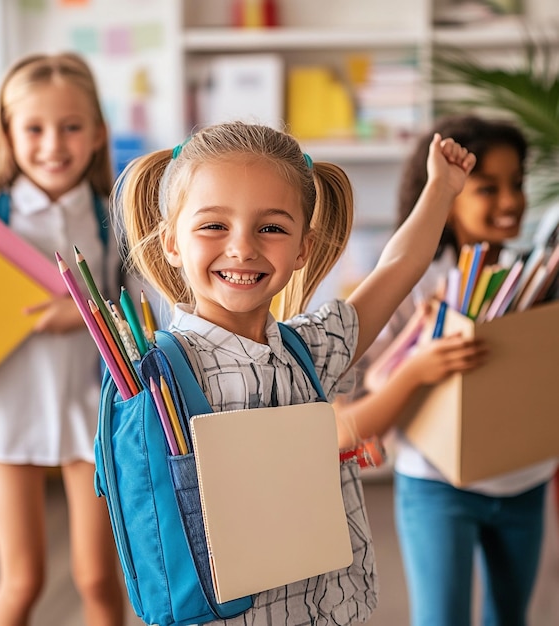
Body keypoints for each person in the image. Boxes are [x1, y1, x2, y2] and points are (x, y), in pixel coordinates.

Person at [112, 120, 475, 624]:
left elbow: (398, 267)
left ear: (303, 247)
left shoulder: (311, 348)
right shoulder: (163, 375)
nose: (242, 248)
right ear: (171, 241)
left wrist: (441, 189)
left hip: (326, 611)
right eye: (213, 225)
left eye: (272, 228)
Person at [334, 114, 557, 626]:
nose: (510, 201)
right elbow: (365, 375)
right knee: (441, 617)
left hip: (525, 479)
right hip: (436, 482)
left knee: (511, 615)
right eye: (488, 188)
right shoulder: (416, 282)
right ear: (449, 196)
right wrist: (422, 358)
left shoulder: (539, 278)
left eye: (517, 184)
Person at [0, 53, 125, 626]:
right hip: (10, 408)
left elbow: (142, 311)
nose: (54, 144)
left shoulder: (112, 216)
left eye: (72, 127)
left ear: (98, 133)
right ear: (7, 132)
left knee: (98, 578)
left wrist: (80, 314)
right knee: (22, 581)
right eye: (35, 128)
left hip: (88, 411)